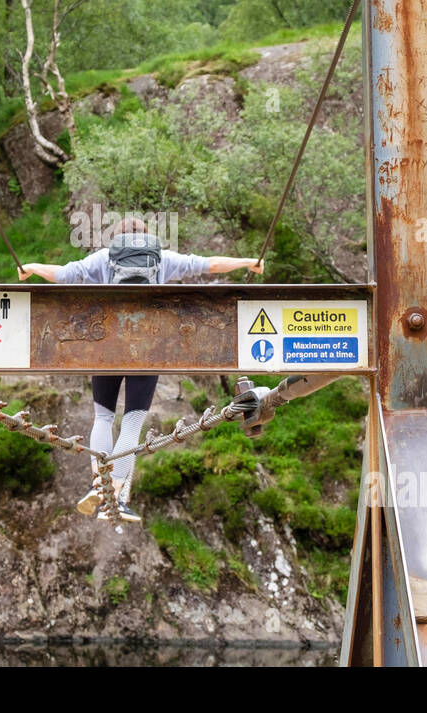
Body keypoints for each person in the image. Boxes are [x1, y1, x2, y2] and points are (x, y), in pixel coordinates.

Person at [17, 218, 264, 523]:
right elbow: (209, 265)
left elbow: (65, 274)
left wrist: (31, 267)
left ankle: (98, 485)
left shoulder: (104, 257)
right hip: (149, 348)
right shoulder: (163, 258)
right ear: (146, 239)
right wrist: (248, 262)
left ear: (118, 239)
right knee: (132, 422)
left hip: (105, 346)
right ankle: (117, 495)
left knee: (104, 418)